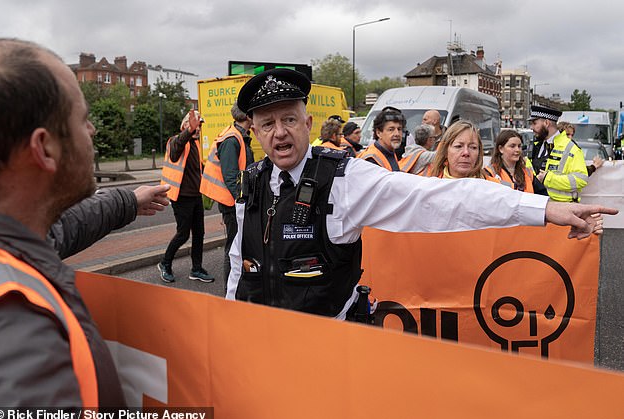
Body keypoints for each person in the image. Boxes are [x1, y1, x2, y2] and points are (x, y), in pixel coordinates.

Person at [225, 68, 615, 319]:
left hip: (330, 347)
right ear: (255, 132)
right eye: (268, 123)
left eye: (289, 119)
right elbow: (240, 263)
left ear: (307, 123)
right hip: (262, 345)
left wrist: (545, 208)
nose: (280, 132)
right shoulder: (253, 182)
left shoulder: (345, 179)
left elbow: (443, 199)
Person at [0, 37, 141, 406]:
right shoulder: (19, 329)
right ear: (44, 148)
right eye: (83, 119)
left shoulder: (12, 248)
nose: (92, 132)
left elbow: (63, 229)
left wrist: (128, 199)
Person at [201, 102, 254, 289]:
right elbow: (231, 176)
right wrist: (242, 202)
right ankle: (229, 292)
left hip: (234, 202)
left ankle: (236, 287)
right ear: (248, 116)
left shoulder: (237, 136)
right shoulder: (232, 139)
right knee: (232, 248)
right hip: (232, 204)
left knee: (237, 247)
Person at [158, 110, 214, 283]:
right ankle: (165, 264)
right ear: (185, 126)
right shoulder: (175, 141)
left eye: (200, 126)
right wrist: (189, 131)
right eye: (196, 126)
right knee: (183, 234)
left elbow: (197, 170)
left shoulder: (195, 144)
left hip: (195, 196)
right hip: (181, 197)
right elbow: (175, 154)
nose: (198, 129)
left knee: (199, 234)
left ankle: (196, 269)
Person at [529, 106, 589, 202]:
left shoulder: (571, 148)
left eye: (534, 123)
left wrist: (548, 178)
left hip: (563, 208)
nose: (531, 127)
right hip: (539, 206)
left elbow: (581, 179)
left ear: (546, 123)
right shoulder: (536, 146)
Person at [483, 129, 548, 195]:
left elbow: (543, 195)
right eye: (512, 146)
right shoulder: (490, 173)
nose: (517, 150)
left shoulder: (527, 173)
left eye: (519, 146)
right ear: (501, 149)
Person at [429, 121, 497, 181]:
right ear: (445, 151)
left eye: (473, 147)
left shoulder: (494, 188)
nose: (466, 153)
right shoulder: (429, 188)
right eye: (458, 146)